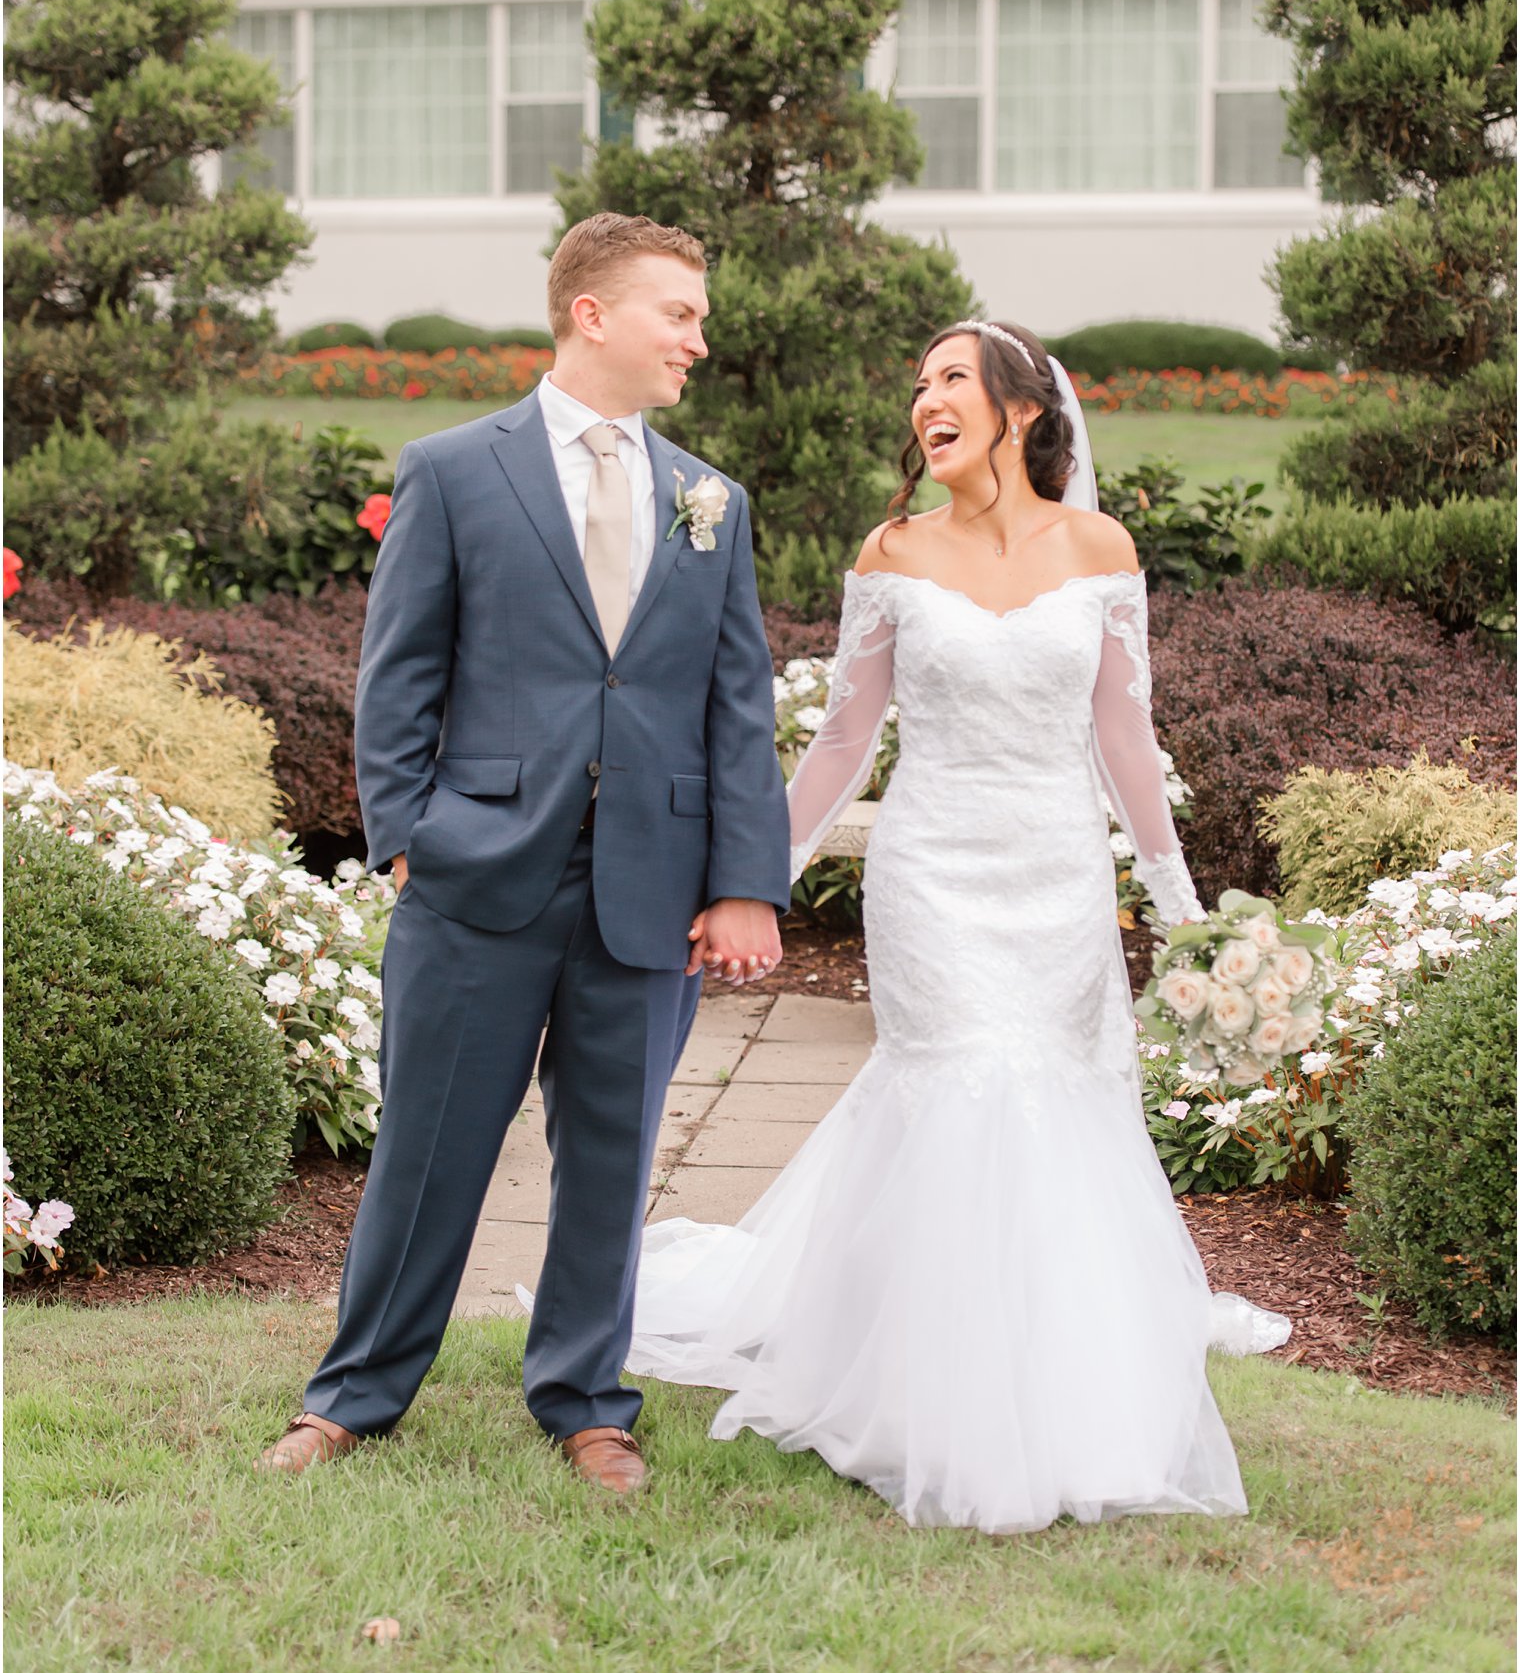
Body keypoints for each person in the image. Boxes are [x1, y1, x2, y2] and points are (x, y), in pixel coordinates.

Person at [628, 318, 1289, 1534]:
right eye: (916, 385)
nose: (922, 400)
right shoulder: (893, 551)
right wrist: (751, 878)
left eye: (949, 381)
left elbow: (1123, 739)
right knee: (961, 1087)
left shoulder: (1099, 548)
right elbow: (841, 740)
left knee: (1050, 1099)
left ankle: (1059, 1375)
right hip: (929, 873)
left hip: (1054, 877)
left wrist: (1178, 902)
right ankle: (923, 1385)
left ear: (1021, 414)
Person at [259, 213, 790, 1496]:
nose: (697, 342)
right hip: (476, 877)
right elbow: (397, 681)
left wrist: (740, 883)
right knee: (428, 1149)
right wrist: (410, 842)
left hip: (650, 896)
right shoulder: (453, 470)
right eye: (679, 313)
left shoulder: (709, 501)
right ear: (591, 313)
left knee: (610, 1159)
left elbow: (738, 704)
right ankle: (353, 1397)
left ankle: (585, 1401)